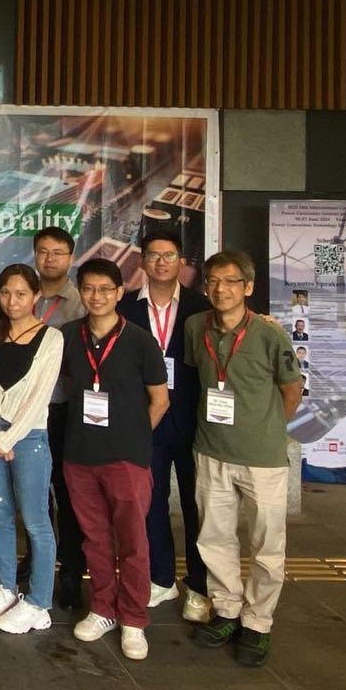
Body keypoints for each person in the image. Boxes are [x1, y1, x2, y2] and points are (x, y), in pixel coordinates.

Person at [187, 250, 303, 667]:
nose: (221, 289)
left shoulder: (270, 334)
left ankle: (258, 622)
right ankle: (227, 610)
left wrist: (267, 429)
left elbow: (292, 389)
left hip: (262, 458)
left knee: (267, 544)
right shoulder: (195, 326)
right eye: (213, 281)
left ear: (248, 287)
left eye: (231, 281)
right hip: (211, 450)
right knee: (214, 538)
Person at [60, 259, 169, 661]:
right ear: (80, 291)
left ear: (120, 293)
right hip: (80, 455)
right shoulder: (69, 336)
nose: (97, 296)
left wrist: (135, 436)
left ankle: (134, 618)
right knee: (95, 538)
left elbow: (160, 400)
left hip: (126, 458)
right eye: (89, 288)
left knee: (133, 541)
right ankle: (103, 607)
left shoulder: (140, 340)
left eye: (105, 289)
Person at [116, 228, 213, 623]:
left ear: (181, 262)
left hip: (191, 420)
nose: (161, 262)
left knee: (196, 504)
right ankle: (160, 577)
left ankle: (200, 585)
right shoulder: (126, 307)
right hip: (147, 418)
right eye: (153, 255)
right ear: (142, 261)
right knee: (150, 501)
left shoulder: (201, 306)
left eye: (169, 255)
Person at [0, 263, 64, 635]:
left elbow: (40, 395)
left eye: (22, 293)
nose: (13, 301)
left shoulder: (52, 338)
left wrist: (8, 439)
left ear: (36, 296)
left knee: (36, 521)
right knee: (0, 512)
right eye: (6, 293)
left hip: (29, 438)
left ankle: (39, 602)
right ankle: (7, 588)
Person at [30, 225, 87, 609]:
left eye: (58, 253)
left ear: (70, 257)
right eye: (43, 252)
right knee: (33, 493)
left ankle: (70, 570)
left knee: (66, 493)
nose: (49, 259)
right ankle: (37, 559)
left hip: (63, 409)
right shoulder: (24, 294)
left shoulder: (81, 303)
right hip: (26, 411)